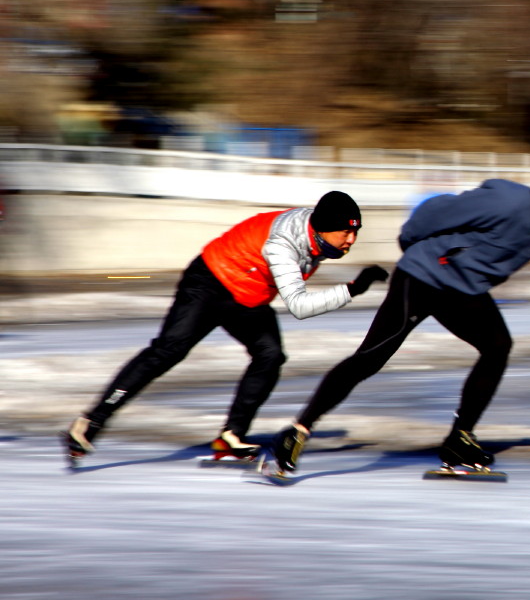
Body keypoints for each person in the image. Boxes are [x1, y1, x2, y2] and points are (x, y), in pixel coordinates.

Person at [270, 152, 530, 474]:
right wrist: (411, 243)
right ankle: (298, 430)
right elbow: (440, 210)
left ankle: (460, 438)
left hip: (463, 289)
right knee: (371, 357)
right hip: (423, 277)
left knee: (498, 346)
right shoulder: (508, 201)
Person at [61, 191, 389, 463]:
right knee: (168, 351)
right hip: (209, 282)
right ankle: (91, 421)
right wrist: (352, 290)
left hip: (248, 295)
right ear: (323, 228)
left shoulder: (319, 227)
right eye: (346, 232)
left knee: (270, 355)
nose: (352, 240)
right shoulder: (283, 244)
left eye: (355, 231)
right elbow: (300, 306)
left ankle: (231, 437)